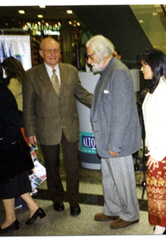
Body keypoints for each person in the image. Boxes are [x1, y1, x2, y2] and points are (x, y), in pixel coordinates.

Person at [23, 37, 93, 216]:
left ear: (60, 52)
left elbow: (81, 93)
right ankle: (56, 198)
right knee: (52, 166)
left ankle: (74, 201)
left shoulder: (70, 71)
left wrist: (101, 103)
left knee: (72, 167)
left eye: (56, 50)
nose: (53, 54)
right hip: (46, 128)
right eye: (48, 51)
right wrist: (30, 130)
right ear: (41, 53)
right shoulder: (32, 75)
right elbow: (28, 106)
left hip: (69, 126)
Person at [86, 35, 141, 229]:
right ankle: (112, 209)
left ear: (101, 55)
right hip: (107, 138)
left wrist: (114, 144)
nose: (89, 60)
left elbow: (122, 111)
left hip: (118, 140)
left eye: (90, 56)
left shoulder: (119, 72)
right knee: (109, 176)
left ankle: (130, 213)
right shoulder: (107, 71)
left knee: (122, 178)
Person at [140, 48, 166, 234]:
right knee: (159, 190)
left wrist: (157, 153)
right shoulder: (155, 86)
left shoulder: (165, 89)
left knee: (161, 191)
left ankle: (162, 227)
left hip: (164, 148)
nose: (141, 69)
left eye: (144, 65)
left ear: (155, 66)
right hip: (158, 146)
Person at [0, 65, 46, 234]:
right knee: (16, 179)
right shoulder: (4, 90)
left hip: (6, 146)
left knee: (6, 183)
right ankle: (34, 208)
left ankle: (11, 219)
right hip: (14, 144)